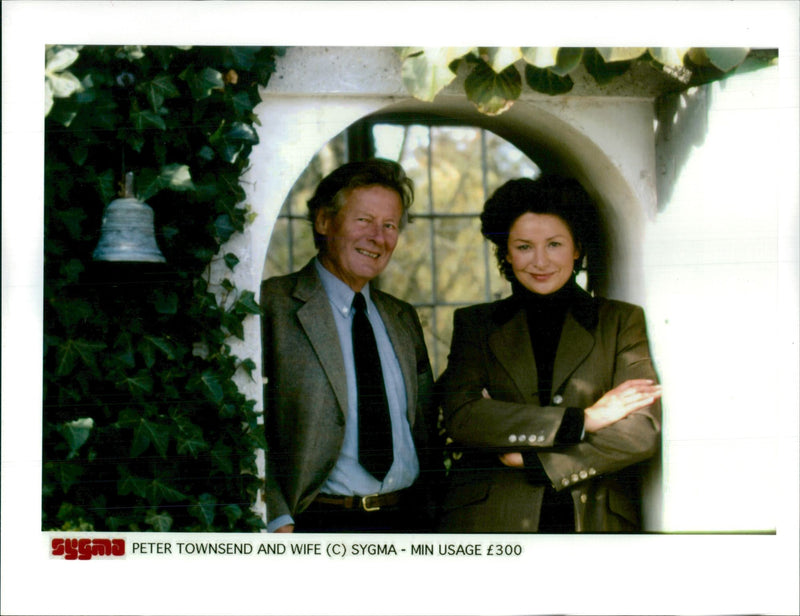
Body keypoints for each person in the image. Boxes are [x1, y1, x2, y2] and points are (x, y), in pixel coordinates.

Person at [435, 176, 662, 533]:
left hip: (592, 518)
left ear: (576, 248)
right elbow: (463, 417)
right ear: (506, 252)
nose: (540, 261)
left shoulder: (621, 321)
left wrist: (537, 462)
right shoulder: (476, 325)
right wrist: (583, 420)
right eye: (524, 247)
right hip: (492, 519)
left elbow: (640, 431)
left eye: (554, 244)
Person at [261, 159, 436, 533]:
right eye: (364, 220)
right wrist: (276, 516)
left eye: (389, 225)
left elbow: (425, 426)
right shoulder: (272, 305)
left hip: (408, 520)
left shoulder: (402, 317)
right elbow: (244, 425)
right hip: (317, 523)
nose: (378, 237)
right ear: (324, 221)